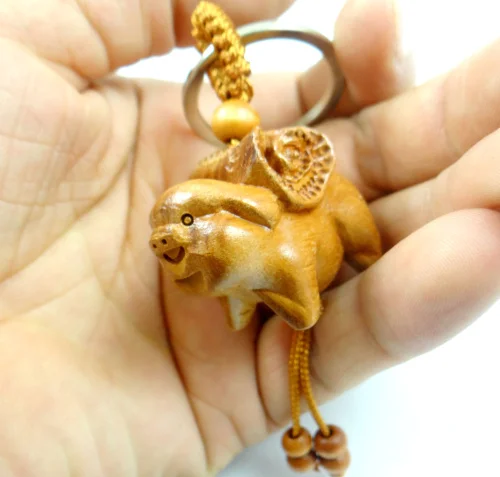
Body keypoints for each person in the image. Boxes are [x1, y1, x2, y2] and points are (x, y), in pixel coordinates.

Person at [0, 0, 498, 475]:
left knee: (371, 249)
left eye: (186, 225)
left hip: (305, 232)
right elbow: (258, 303)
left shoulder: (275, 244)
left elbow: (304, 311)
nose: (171, 245)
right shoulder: (235, 272)